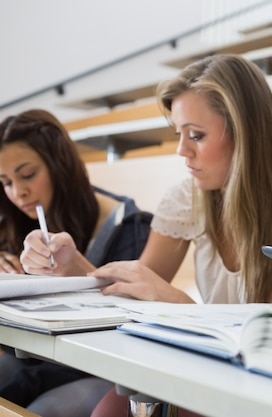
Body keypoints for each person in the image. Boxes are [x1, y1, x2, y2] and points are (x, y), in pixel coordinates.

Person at [87, 54, 272, 416]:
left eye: (196, 135)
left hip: (259, 387)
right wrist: (74, 267)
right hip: (201, 363)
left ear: (245, 135)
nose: (182, 150)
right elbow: (137, 288)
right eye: (179, 134)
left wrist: (182, 307)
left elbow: (266, 349)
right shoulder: (187, 196)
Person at [0, 109, 152, 416]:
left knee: (43, 407)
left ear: (60, 165)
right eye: (5, 181)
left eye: (27, 174)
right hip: (35, 353)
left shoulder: (130, 226)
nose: (19, 192)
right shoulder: (16, 218)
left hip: (97, 366)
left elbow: (126, 330)